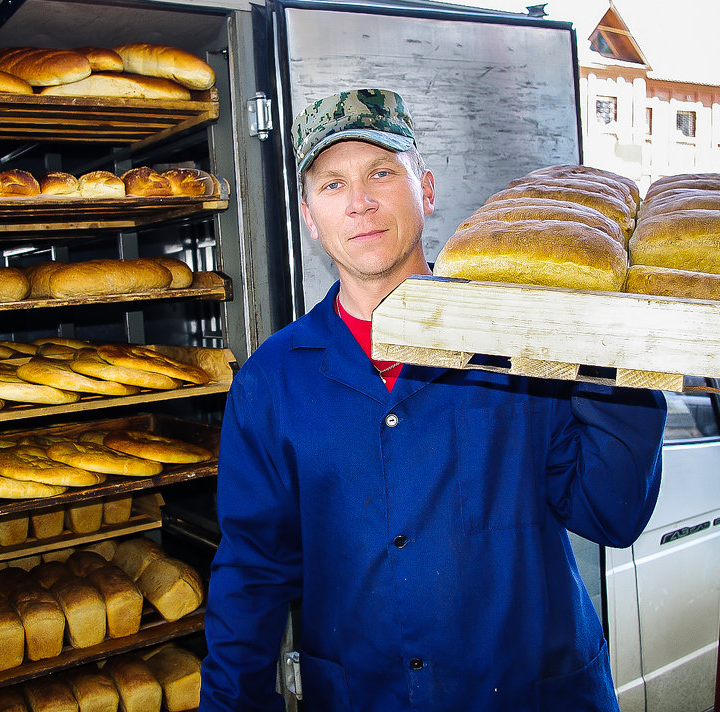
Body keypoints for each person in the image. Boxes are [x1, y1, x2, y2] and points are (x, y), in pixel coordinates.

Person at [200, 89, 667, 711]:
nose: (360, 202)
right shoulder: (273, 383)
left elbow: (612, 513)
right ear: (310, 217)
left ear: (427, 188)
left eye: (382, 172)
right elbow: (252, 575)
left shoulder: (518, 339)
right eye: (332, 184)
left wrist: (612, 346)